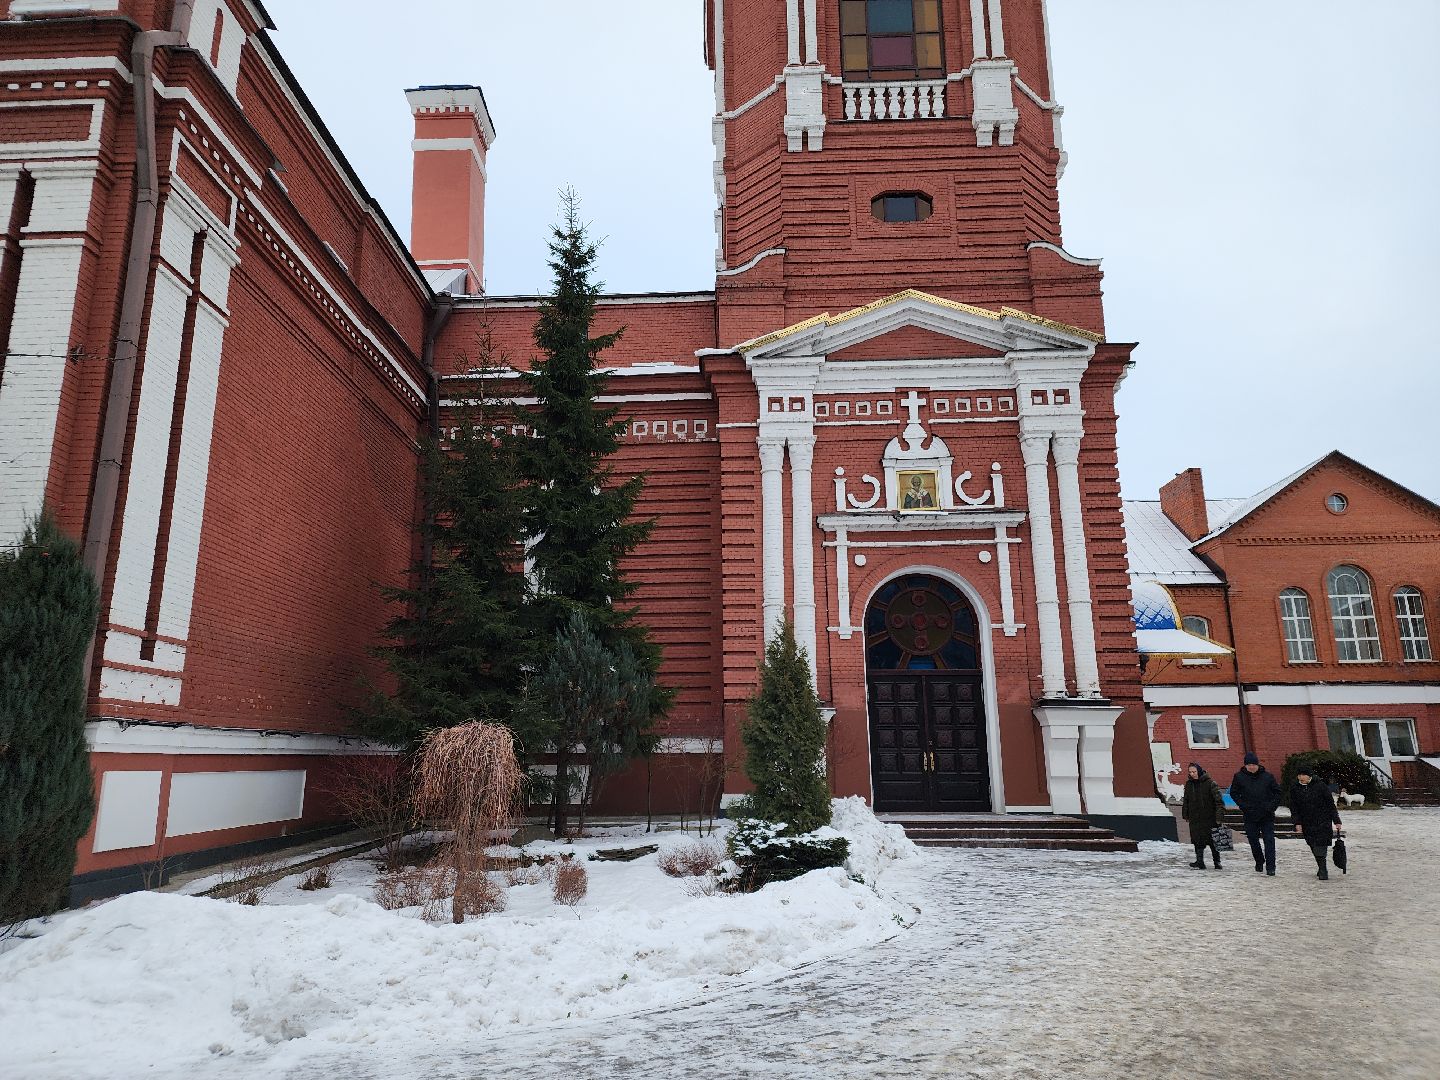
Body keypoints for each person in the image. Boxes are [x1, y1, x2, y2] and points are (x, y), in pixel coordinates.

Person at [1230, 750, 1282, 876]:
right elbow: (1234, 793)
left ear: (1258, 765)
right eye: (1249, 765)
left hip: (1266, 814)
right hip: (1249, 814)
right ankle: (1259, 860)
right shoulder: (1239, 777)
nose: (1251, 767)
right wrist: (1243, 805)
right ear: (1245, 766)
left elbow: (1278, 792)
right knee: (1253, 840)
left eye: (1253, 765)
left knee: (1269, 841)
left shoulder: (1268, 776)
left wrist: (1271, 807)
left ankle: (1271, 867)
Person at [1289, 765, 1343, 881]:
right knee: (1313, 844)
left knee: (1321, 843)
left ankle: (1323, 869)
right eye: (1299, 775)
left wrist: (1336, 820)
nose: (1301, 777)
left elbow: (1330, 804)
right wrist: (1297, 822)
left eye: (1303, 775)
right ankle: (1321, 865)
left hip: (1323, 819)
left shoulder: (1320, 786)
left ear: (1309, 776)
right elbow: (1294, 807)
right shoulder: (1295, 788)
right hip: (1307, 821)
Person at [1181, 763, 1225, 869]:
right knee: (1197, 840)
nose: (1192, 774)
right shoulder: (1189, 784)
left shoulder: (1210, 783)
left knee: (1213, 840)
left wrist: (1219, 817)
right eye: (1190, 772)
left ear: (1199, 771)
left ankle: (1217, 862)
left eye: (1194, 772)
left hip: (1210, 817)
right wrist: (1185, 814)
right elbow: (1186, 800)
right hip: (1195, 818)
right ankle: (1199, 861)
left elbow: (1219, 802)